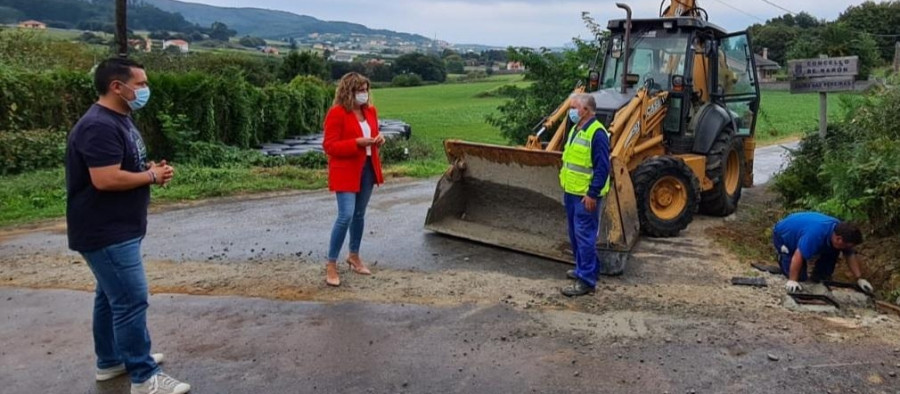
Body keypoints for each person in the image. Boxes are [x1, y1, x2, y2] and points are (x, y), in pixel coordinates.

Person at [66, 58, 190, 394]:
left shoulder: (120, 120)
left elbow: (122, 166)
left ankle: (110, 361)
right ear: (116, 87)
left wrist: (147, 169)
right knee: (131, 300)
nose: (145, 90)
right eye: (141, 83)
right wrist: (150, 176)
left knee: (109, 297)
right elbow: (104, 179)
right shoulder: (99, 126)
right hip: (106, 230)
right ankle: (143, 376)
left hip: (119, 226)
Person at [322, 72, 385, 287]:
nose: (364, 94)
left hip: (367, 167)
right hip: (345, 170)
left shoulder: (370, 112)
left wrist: (378, 139)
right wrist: (356, 143)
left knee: (359, 214)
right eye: (360, 90)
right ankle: (331, 264)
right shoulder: (337, 113)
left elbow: (373, 134)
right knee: (345, 215)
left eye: (366, 90)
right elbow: (329, 146)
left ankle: (354, 256)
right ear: (349, 91)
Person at [559, 93, 611, 297]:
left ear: (586, 110)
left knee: (585, 236)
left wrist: (592, 193)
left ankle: (586, 281)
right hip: (572, 193)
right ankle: (585, 269)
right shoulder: (576, 129)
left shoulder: (597, 133)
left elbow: (602, 168)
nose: (571, 111)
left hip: (585, 196)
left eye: (574, 108)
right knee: (575, 235)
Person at [772, 211, 874, 294]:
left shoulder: (841, 232)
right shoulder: (816, 235)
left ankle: (820, 276)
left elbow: (849, 254)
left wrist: (859, 278)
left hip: (805, 231)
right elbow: (799, 254)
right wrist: (793, 280)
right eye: (847, 245)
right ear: (839, 239)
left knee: (834, 251)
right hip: (784, 237)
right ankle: (782, 258)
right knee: (800, 278)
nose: (848, 248)